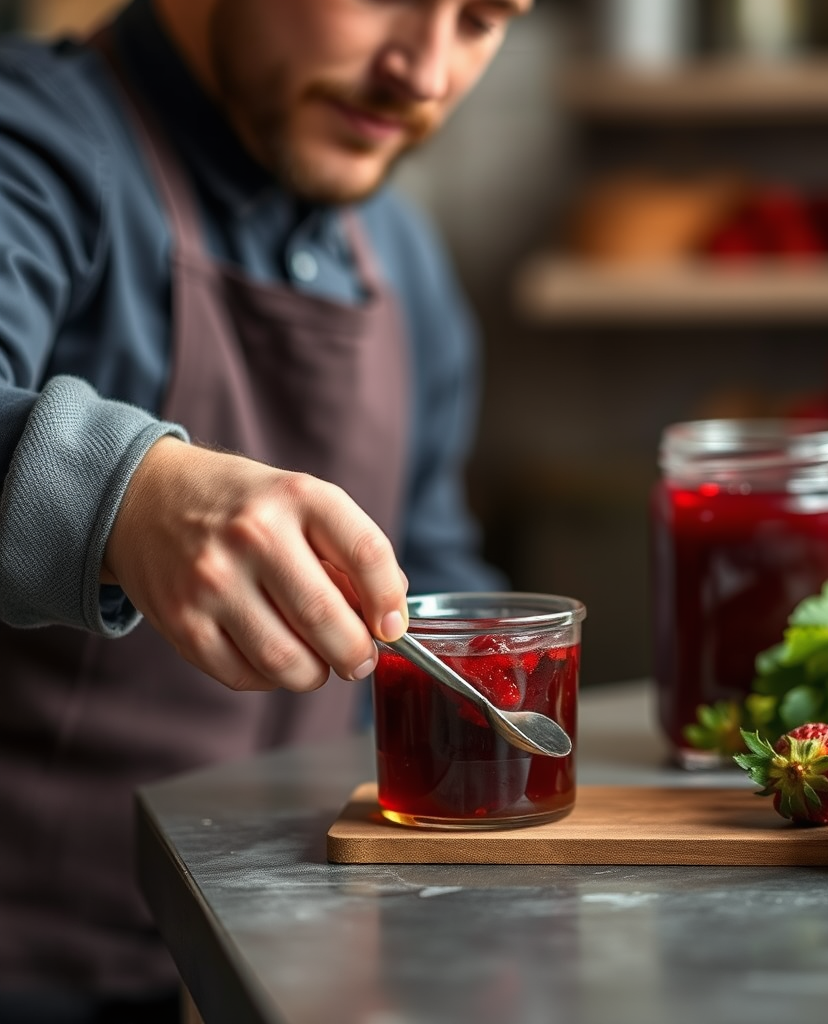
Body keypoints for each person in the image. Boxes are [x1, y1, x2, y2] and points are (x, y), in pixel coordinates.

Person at [0, 0, 529, 1019]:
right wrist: (129, 499)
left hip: (286, 980)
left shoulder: (406, 264)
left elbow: (436, 594)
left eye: (480, 20)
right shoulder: (31, 148)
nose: (423, 73)